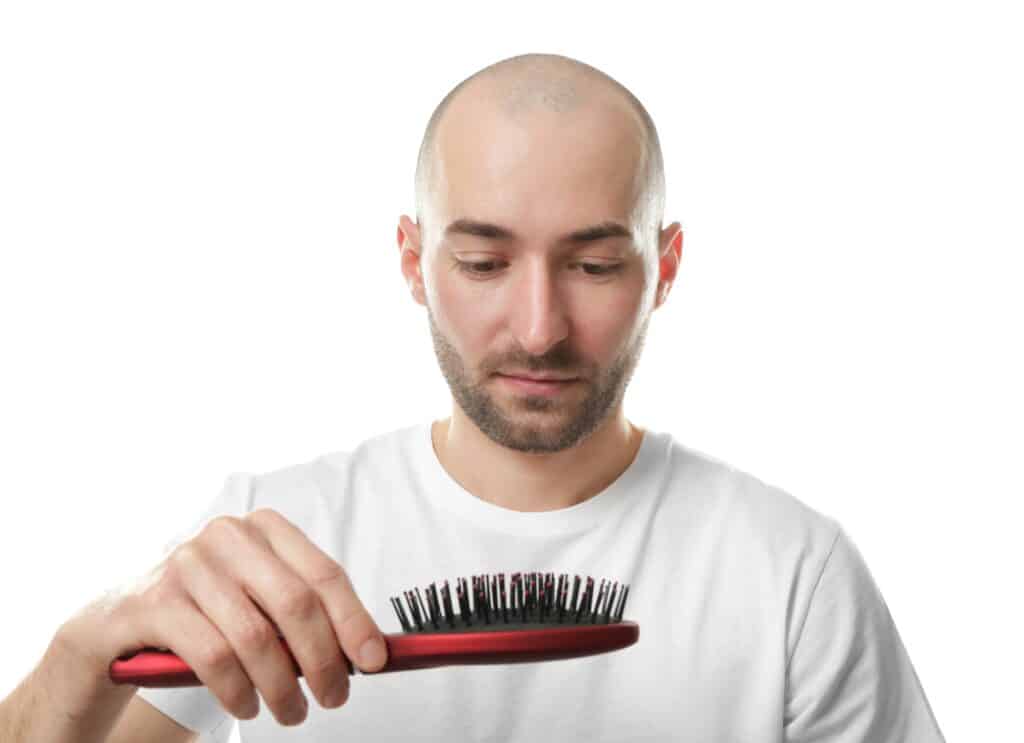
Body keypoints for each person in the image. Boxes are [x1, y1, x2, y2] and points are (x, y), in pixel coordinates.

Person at [0, 52, 946, 742]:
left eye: (594, 262)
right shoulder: (272, 534)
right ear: (413, 261)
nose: (538, 326)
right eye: (485, 262)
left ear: (665, 267)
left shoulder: (794, 574)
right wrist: (80, 656)